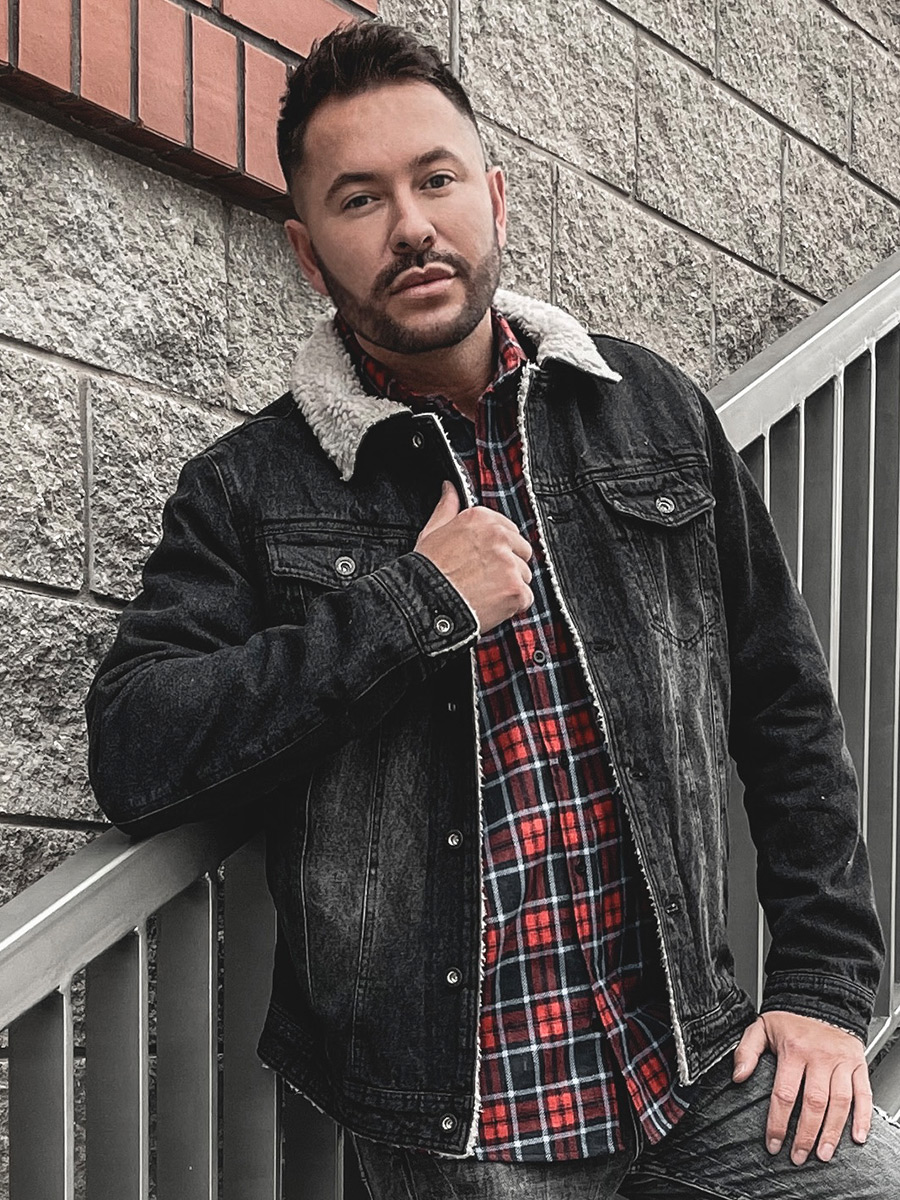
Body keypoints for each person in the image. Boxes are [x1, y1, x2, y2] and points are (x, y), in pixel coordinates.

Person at [86, 20, 899, 1199]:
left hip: (689, 1058)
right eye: (360, 199)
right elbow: (138, 748)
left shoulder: (651, 411)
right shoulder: (252, 488)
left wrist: (824, 987)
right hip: (465, 1121)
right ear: (309, 253)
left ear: (495, 197)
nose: (410, 225)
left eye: (437, 179)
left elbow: (785, 710)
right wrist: (413, 604)